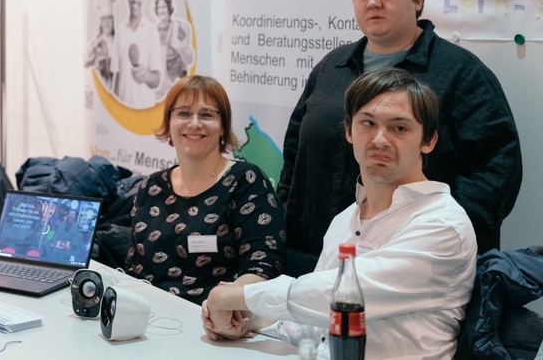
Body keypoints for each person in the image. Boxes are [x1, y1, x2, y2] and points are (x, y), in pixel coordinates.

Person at [278, 0, 520, 273]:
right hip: (315, 252)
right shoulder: (331, 68)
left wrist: (439, 231)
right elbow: (295, 154)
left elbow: (497, 169)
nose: (373, 3)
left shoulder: (462, 74)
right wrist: (286, 214)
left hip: (414, 262)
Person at [203, 69, 477, 360]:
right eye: (368, 123)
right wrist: (248, 320)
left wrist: (240, 297)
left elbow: (342, 297)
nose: (380, 139)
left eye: (399, 128)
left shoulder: (442, 225)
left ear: (428, 141)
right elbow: (317, 327)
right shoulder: (345, 219)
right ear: (349, 131)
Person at [125, 75, 285, 303]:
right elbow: (133, 268)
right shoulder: (150, 187)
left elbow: (264, 268)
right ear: (169, 123)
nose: (194, 123)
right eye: (183, 113)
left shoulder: (246, 181)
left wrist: (222, 302)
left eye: (207, 114)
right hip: (148, 313)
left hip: (213, 317)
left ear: (223, 127)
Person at [112, 0, 163, 107]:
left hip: (144, 111)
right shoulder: (120, 32)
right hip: (122, 111)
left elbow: (157, 80)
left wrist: (146, 75)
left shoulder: (152, 32)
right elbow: (117, 76)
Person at [153, 0, 194, 99]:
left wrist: (179, 48)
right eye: (159, 7)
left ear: (169, 8)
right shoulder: (153, 30)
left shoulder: (179, 28)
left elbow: (189, 60)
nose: (161, 10)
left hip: (176, 88)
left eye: (164, 7)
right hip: (159, 90)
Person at [85, 0, 118, 90]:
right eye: (104, 19)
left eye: (109, 18)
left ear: (113, 20)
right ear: (100, 21)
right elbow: (85, 63)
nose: (107, 22)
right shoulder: (96, 42)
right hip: (100, 88)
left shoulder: (118, 40)